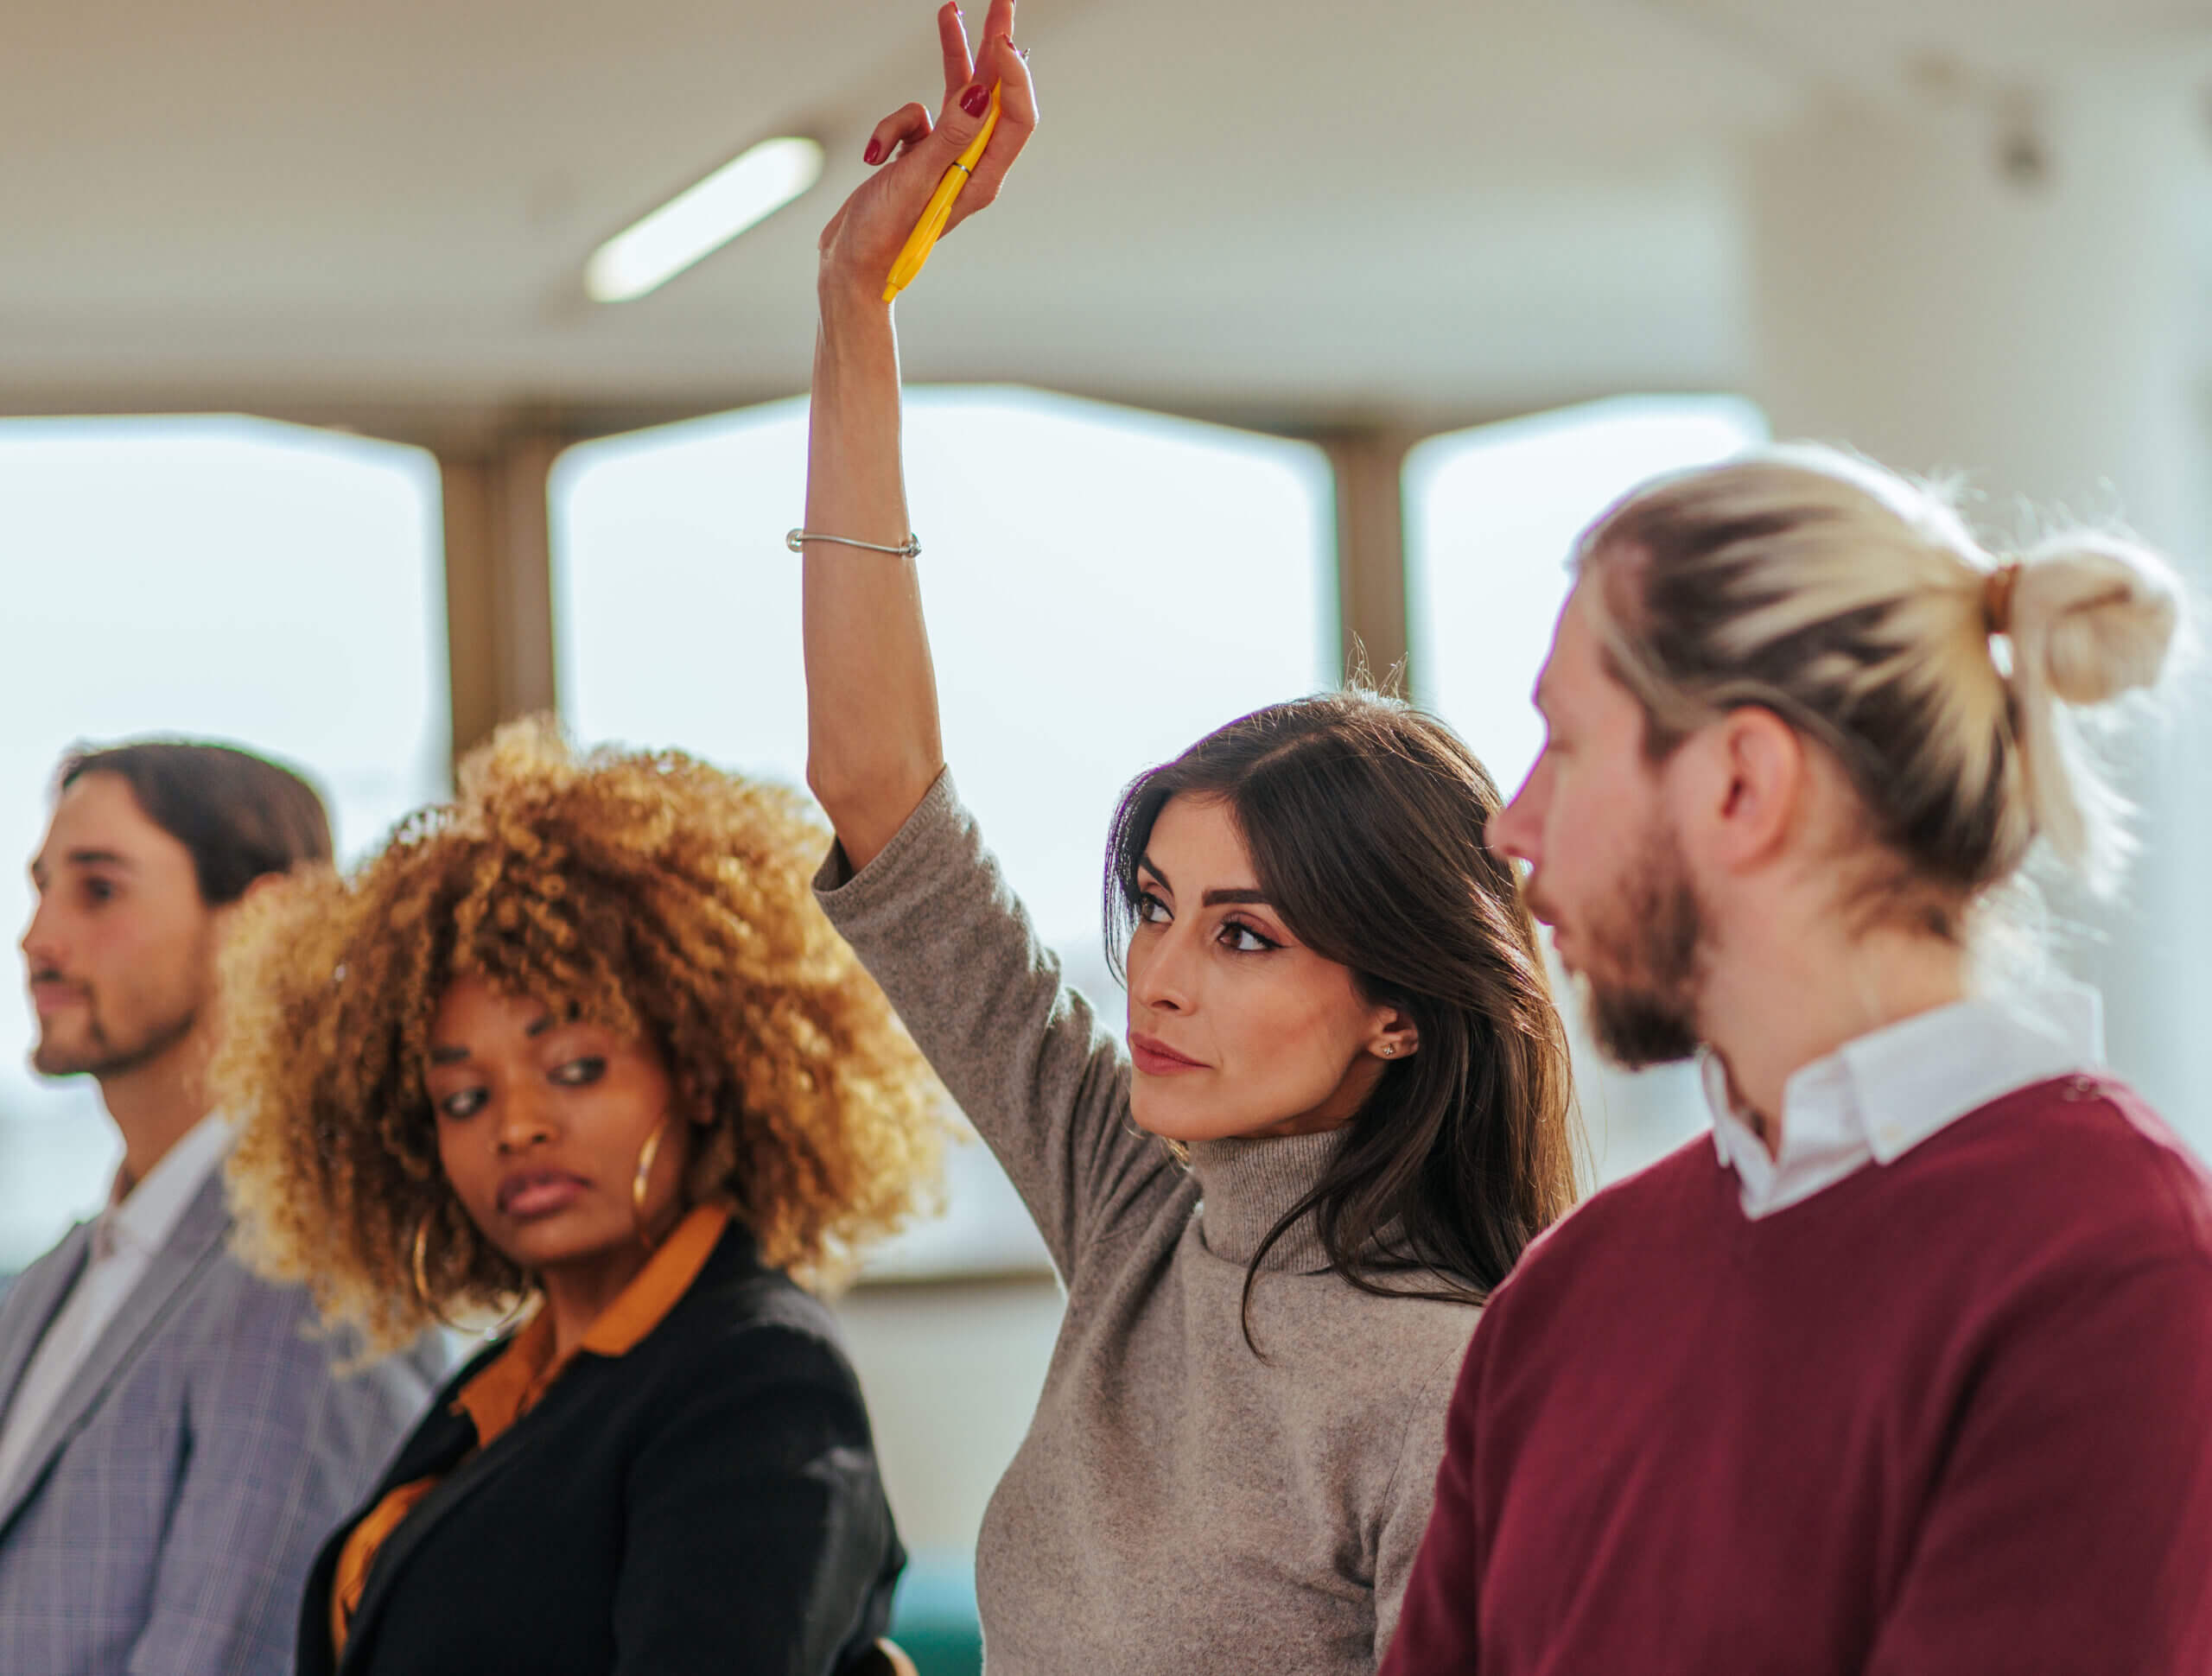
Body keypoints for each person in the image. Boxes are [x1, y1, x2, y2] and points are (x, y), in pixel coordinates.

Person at [797, 5, 1580, 1669]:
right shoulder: (1139, 1216)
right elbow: (878, 792)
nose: (1156, 973)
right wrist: (853, 307)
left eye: (1245, 935)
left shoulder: (1445, 1381)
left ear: (1398, 1002)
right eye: (1156, 906)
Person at [1381, 448, 2212, 1673]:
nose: (1514, 825)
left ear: (1741, 782)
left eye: (1564, 743)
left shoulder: (2111, 1272)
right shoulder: (1561, 1301)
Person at [212, 719, 935, 1676]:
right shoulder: (505, 1384)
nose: (515, 1125)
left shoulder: (759, 1378)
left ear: (702, 1070)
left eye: (576, 1066)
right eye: (463, 1096)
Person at [0, 740, 440, 1676]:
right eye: (40, 887)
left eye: (99, 889)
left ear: (263, 923)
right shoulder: (50, 1286)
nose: (38, 936)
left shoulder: (314, 1271)